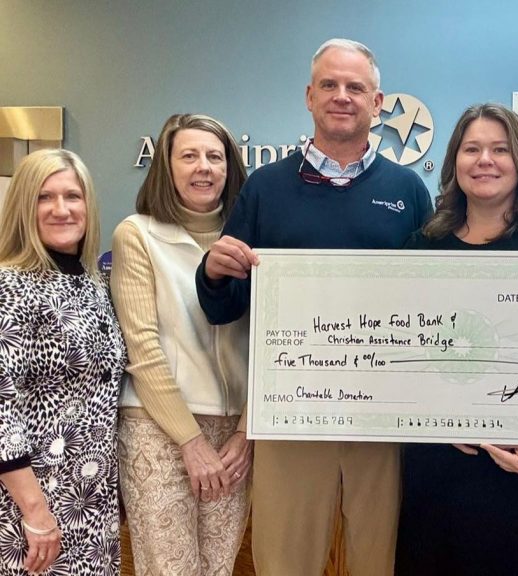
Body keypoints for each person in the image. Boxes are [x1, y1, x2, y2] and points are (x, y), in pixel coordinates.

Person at [195, 38, 432, 576]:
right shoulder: (264, 188)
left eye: (355, 87)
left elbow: (431, 303)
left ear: (377, 103)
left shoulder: (408, 190)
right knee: (285, 560)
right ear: (309, 96)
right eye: (329, 84)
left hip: (382, 418)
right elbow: (226, 306)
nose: (341, 96)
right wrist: (212, 274)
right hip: (291, 414)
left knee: (381, 560)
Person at [395, 103, 518, 576]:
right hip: (442, 476)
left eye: (500, 149)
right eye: (472, 149)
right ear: (454, 162)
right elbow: (401, 358)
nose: (485, 160)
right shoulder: (421, 248)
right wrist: (438, 421)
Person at [112, 113, 250, 575]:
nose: (203, 167)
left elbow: (271, 343)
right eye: (189, 156)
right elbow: (142, 349)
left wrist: (247, 433)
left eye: (214, 156)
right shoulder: (137, 234)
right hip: (159, 429)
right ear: (166, 167)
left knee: (218, 569)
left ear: (229, 167)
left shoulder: (249, 240)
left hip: (233, 436)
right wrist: (190, 441)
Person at [0, 149, 126, 575]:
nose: (61, 209)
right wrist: (35, 512)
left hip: (91, 502)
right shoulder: (10, 285)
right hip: (32, 505)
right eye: (44, 197)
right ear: (23, 206)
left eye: (72, 196)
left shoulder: (93, 282)